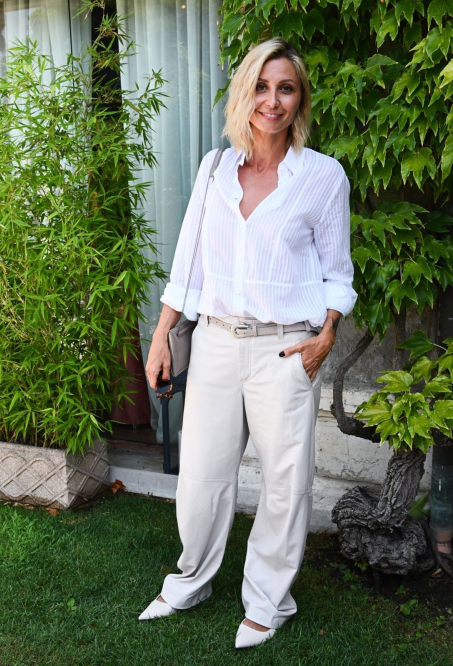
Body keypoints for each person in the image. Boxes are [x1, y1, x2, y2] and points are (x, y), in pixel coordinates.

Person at [141, 37, 357, 649]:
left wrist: (326, 334)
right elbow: (188, 263)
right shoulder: (214, 169)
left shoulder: (322, 177)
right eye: (261, 86)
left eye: (285, 87)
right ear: (245, 93)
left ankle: (268, 601)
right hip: (212, 343)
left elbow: (337, 272)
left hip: (285, 349)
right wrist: (163, 333)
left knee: (285, 483)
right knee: (203, 476)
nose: (272, 99)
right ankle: (190, 579)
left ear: (299, 99)